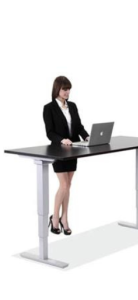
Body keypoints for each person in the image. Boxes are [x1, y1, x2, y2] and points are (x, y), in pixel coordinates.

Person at [43, 76, 89, 235]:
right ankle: (55, 218)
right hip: (58, 150)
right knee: (63, 185)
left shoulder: (73, 106)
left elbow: (79, 127)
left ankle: (65, 217)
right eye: (64, 89)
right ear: (57, 89)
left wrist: (87, 136)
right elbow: (49, 132)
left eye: (69, 89)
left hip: (73, 149)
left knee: (68, 185)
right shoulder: (49, 108)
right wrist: (62, 139)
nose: (67, 92)